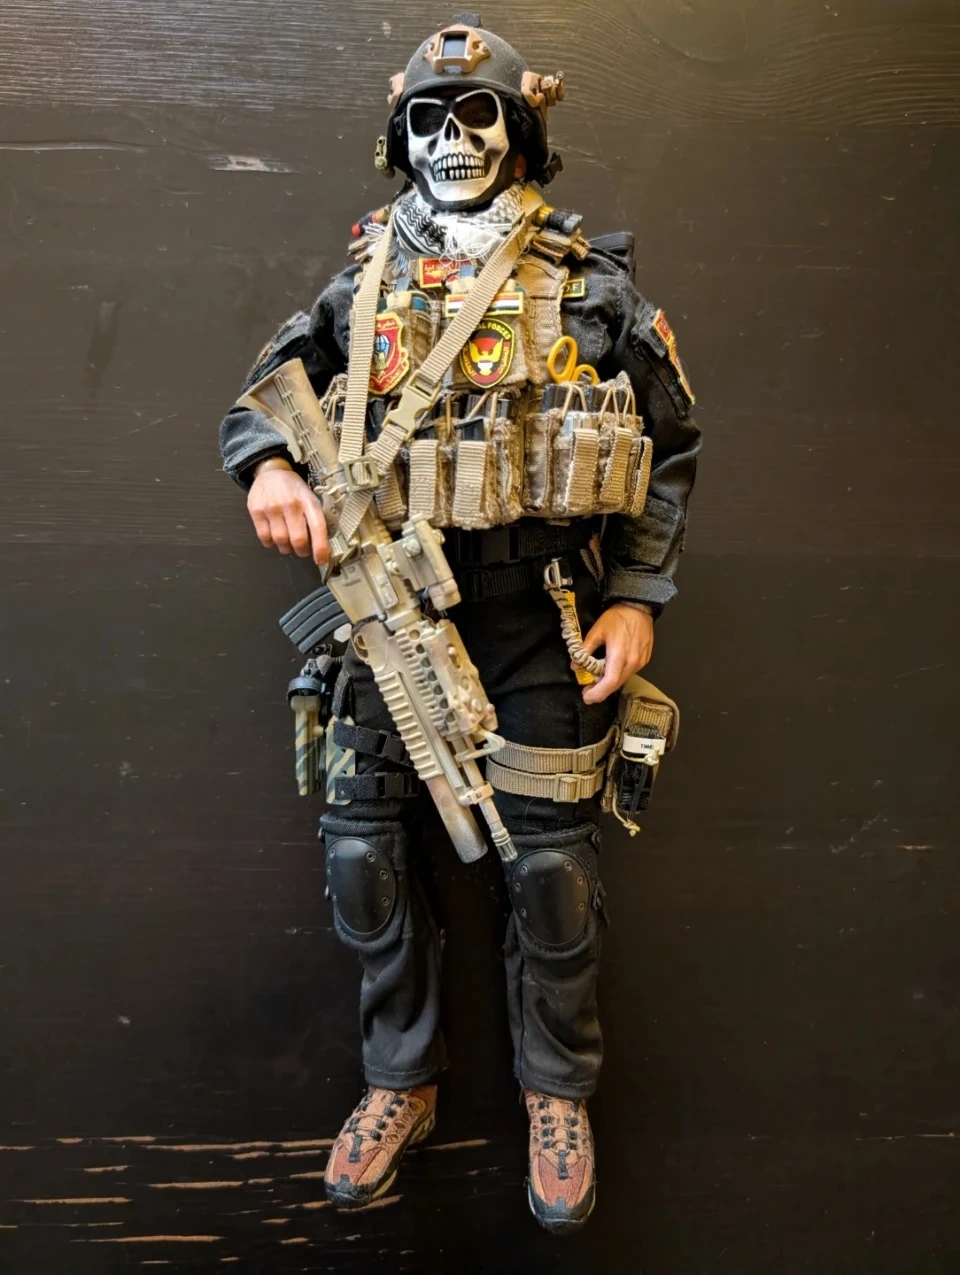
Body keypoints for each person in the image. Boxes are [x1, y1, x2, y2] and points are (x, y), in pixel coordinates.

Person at [219, 12, 699, 1234]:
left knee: (552, 873)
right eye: (427, 119)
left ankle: (557, 1091)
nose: (452, 138)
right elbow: (260, 399)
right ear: (402, 139)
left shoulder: (590, 287)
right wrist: (267, 467)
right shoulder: (363, 282)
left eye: (477, 113)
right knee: (363, 858)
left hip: (540, 615)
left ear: (521, 134)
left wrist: (635, 595)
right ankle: (401, 1077)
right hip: (385, 612)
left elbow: (673, 444)